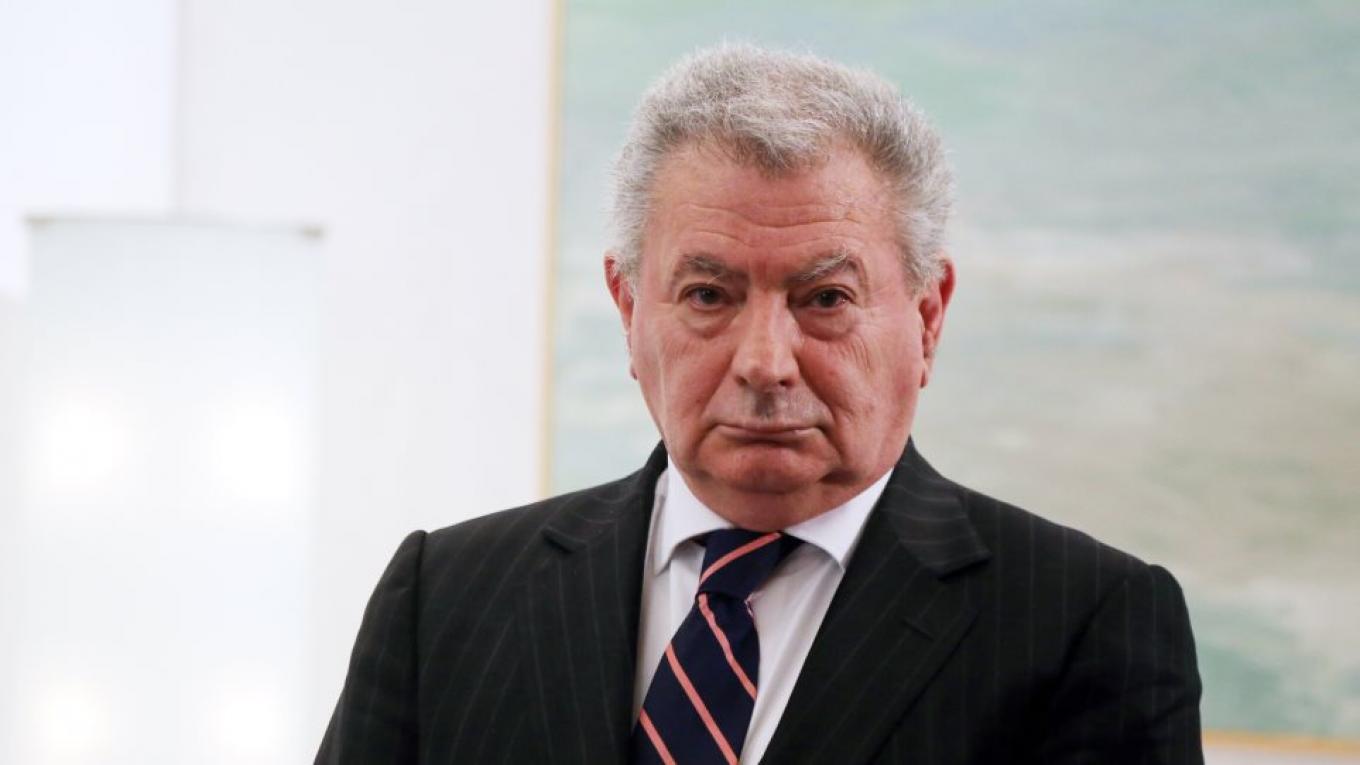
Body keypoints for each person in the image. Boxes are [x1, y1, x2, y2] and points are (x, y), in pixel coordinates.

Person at [316, 44, 1203, 764]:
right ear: (629, 310)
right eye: (708, 295)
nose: (765, 363)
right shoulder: (445, 596)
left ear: (928, 316)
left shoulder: (1086, 623)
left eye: (826, 299)